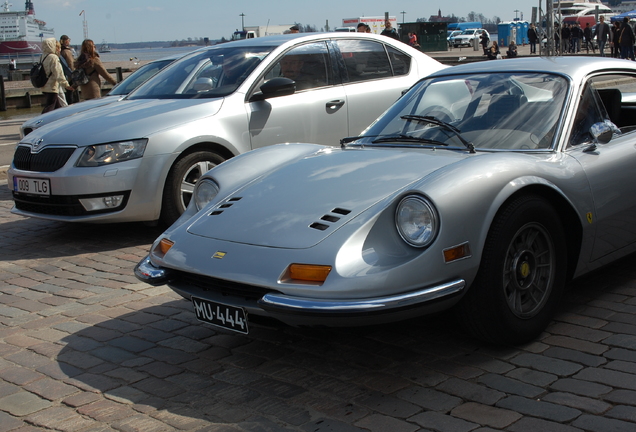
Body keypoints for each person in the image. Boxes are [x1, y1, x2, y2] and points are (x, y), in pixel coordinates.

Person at [40, 38, 73, 113]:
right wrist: (66, 84)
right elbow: (58, 73)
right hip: (52, 86)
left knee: (58, 106)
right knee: (50, 106)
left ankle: (64, 117)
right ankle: (42, 121)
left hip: (44, 85)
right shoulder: (53, 57)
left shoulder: (43, 56)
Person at [59, 35, 76, 104]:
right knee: (71, 93)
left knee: (68, 93)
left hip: (64, 74)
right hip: (70, 76)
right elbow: (70, 63)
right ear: (66, 41)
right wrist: (74, 73)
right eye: (69, 40)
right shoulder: (67, 51)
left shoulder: (61, 51)